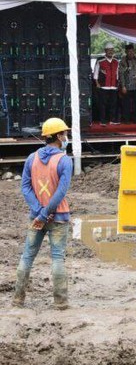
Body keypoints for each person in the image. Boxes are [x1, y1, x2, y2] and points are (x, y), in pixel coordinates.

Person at [13, 118, 73, 310]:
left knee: (27, 256)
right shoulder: (64, 160)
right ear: (57, 136)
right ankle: (60, 302)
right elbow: (61, 192)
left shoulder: (32, 158)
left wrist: (38, 213)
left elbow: (25, 187)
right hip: (59, 217)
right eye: (64, 134)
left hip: (36, 216)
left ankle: (18, 299)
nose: (66, 137)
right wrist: (46, 213)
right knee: (57, 257)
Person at [93, 42, 120, 126]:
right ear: (105, 51)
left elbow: (118, 73)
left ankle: (112, 120)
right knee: (103, 105)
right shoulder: (100, 61)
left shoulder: (116, 61)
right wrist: (97, 83)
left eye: (112, 50)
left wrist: (118, 83)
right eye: (109, 50)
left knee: (113, 104)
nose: (110, 51)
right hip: (103, 86)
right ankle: (102, 121)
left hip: (113, 86)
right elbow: (96, 73)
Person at [118, 44, 136, 124]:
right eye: (129, 51)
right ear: (126, 52)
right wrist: (123, 86)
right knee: (126, 104)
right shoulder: (123, 61)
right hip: (127, 86)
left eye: (132, 51)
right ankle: (126, 120)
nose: (131, 53)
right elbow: (121, 74)